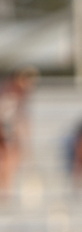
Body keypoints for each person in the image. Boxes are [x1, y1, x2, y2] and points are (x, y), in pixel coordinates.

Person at [0, 66, 39, 197]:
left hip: (8, 132)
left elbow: (21, 122)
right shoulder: (7, 94)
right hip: (4, 131)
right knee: (8, 158)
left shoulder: (19, 98)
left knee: (12, 158)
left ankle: (6, 191)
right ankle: (5, 191)